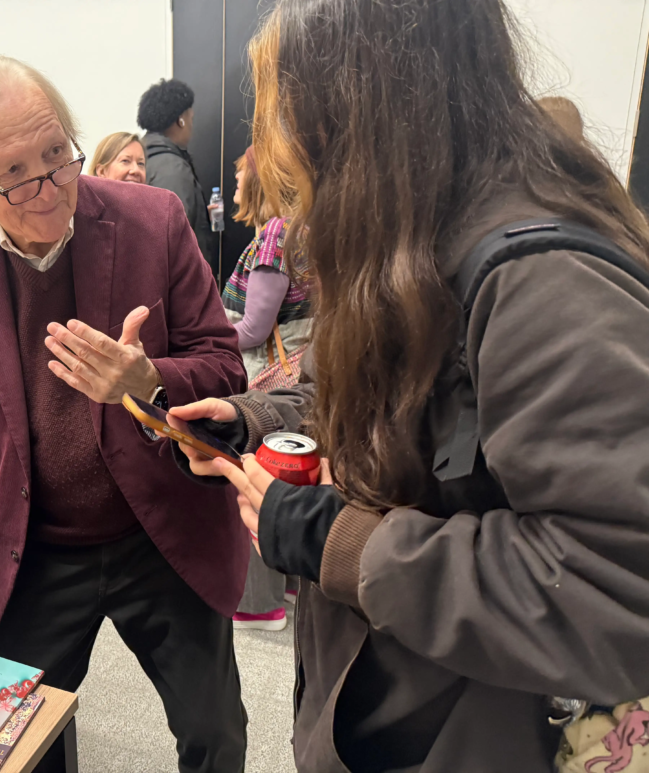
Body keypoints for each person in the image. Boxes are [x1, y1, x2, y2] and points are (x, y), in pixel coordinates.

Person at [171, 0, 649, 771]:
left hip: (480, 730)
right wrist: (248, 415)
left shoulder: (541, 279)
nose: (279, 153)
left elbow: (616, 585)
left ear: (354, 108)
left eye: (284, 114)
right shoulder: (412, 245)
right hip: (394, 701)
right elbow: (339, 387)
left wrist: (342, 540)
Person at [0, 56, 249, 772]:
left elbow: (225, 366)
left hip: (160, 529)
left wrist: (149, 376)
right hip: (33, 544)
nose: (50, 185)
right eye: (17, 172)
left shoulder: (150, 219)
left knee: (214, 733)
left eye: (57, 153)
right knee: (5, 744)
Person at [221, 145, 311, 632]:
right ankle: (288, 583)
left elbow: (255, 327)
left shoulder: (276, 234)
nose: (234, 188)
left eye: (240, 178)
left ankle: (259, 603)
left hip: (270, 373)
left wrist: (205, 335)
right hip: (299, 365)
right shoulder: (303, 228)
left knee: (253, 471)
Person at [138, 79, 215, 270]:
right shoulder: (173, 170)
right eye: (191, 119)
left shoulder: (141, 156)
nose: (191, 126)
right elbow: (173, 238)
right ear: (181, 120)